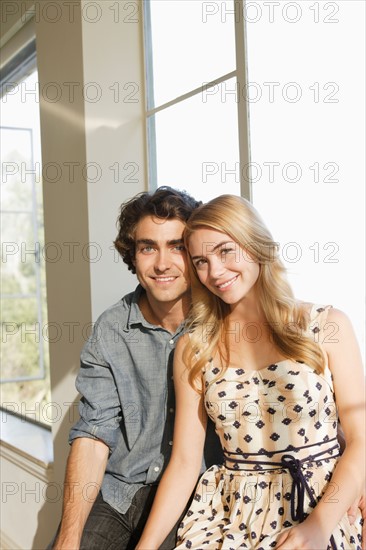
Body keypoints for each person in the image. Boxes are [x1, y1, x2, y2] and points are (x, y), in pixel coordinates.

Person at [136, 194, 365, 549]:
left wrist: (319, 525)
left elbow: (362, 441)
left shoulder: (328, 325)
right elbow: (183, 465)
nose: (214, 272)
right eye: (201, 261)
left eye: (225, 251)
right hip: (227, 517)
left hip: (320, 505)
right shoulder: (194, 349)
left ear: (256, 244)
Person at [51, 187, 222, 550]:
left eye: (176, 246)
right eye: (148, 247)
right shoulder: (111, 329)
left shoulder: (225, 323)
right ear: (133, 255)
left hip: (196, 495)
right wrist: (68, 539)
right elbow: (93, 436)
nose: (162, 264)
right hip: (120, 490)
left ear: (194, 254)